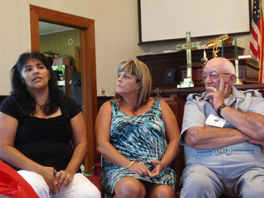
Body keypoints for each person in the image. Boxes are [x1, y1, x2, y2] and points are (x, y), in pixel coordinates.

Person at [0, 52, 101, 198]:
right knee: (36, 186)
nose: (35, 71)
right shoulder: (11, 104)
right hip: (27, 172)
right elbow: (4, 147)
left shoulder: (68, 104)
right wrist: (41, 170)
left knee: (90, 193)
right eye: (28, 69)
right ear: (21, 79)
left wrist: (69, 172)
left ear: (49, 73)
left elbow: (82, 143)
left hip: (64, 173)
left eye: (40, 67)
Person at [96, 59, 181, 198]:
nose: (119, 80)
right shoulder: (108, 107)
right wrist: (130, 165)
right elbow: (102, 145)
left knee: (164, 194)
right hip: (121, 168)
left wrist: (163, 163)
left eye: (126, 77)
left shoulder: (161, 105)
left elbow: (175, 139)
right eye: (119, 75)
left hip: (156, 170)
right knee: (131, 188)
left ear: (139, 84)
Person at [179, 57, 264, 198]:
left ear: (231, 79)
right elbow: (194, 137)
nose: (207, 81)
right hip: (205, 167)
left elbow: (261, 128)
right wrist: (249, 132)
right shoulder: (195, 101)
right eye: (205, 76)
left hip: (250, 168)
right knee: (196, 184)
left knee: (258, 190)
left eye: (213, 75)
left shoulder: (253, 98)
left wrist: (221, 107)